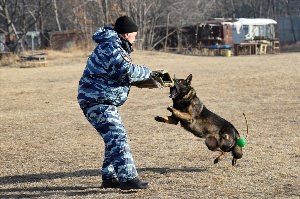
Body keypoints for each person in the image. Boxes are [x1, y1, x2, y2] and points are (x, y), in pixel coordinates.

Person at [77, 16, 158, 190]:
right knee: (117, 136)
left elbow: (121, 73)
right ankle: (128, 179)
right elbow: (127, 71)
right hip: (96, 100)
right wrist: (149, 73)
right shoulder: (111, 46)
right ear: (127, 34)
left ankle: (110, 177)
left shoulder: (113, 44)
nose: (135, 38)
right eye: (134, 35)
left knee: (112, 138)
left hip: (99, 100)